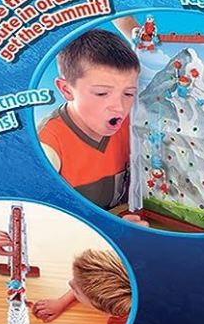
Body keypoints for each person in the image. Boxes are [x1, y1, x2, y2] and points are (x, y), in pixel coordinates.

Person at [38, 29, 143, 217]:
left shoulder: (130, 125)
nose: (119, 107)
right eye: (102, 93)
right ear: (66, 90)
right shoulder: (47, 145)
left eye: (128, 93)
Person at [30, 248, 134, 324]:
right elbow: (87, 287)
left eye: (76, 291)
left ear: (97, 306)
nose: (70, 283)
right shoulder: (130, 272)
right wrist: (62, 302)